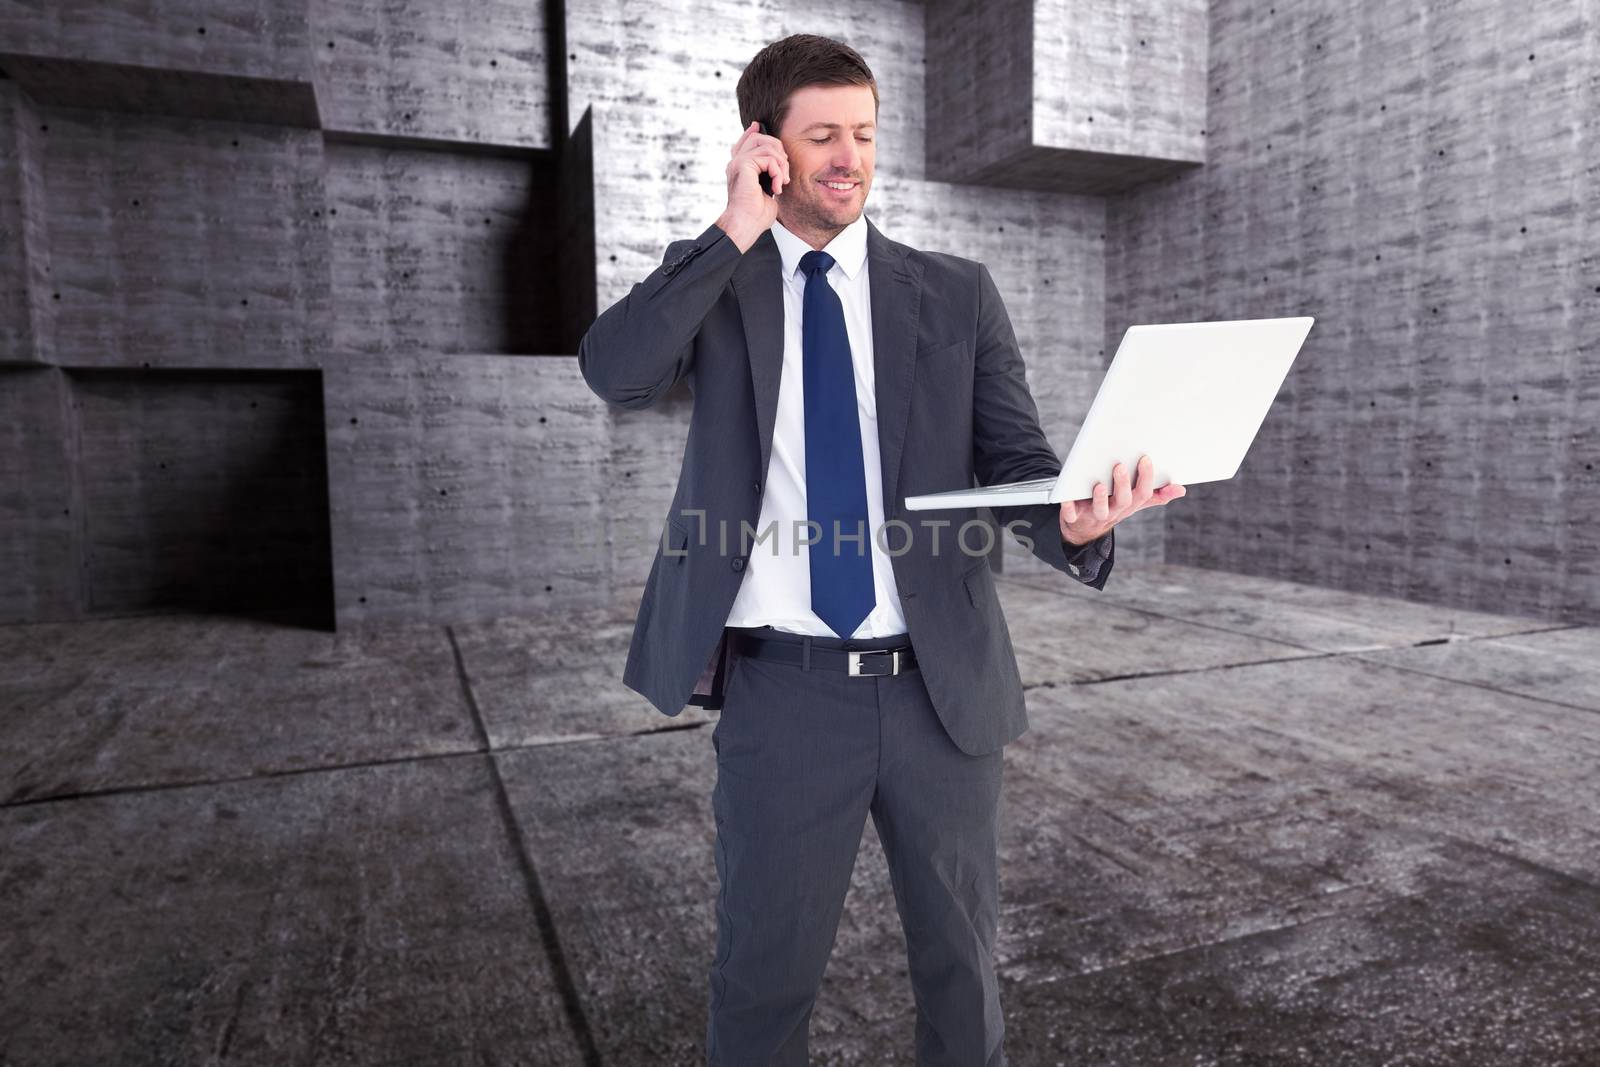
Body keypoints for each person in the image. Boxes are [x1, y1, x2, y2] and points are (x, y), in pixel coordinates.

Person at [577, 32, 1186, 1067]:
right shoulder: (719, 284)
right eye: (821, 137)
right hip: (784, 694)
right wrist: (733, 226)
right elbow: (614, 371)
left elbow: (1014, 458)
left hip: (938, 694)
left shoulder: (955, 291)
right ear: (764, 144)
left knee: (963, 970)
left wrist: (1070, 523)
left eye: (862, 133)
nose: (849, 157)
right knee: (762, 979)